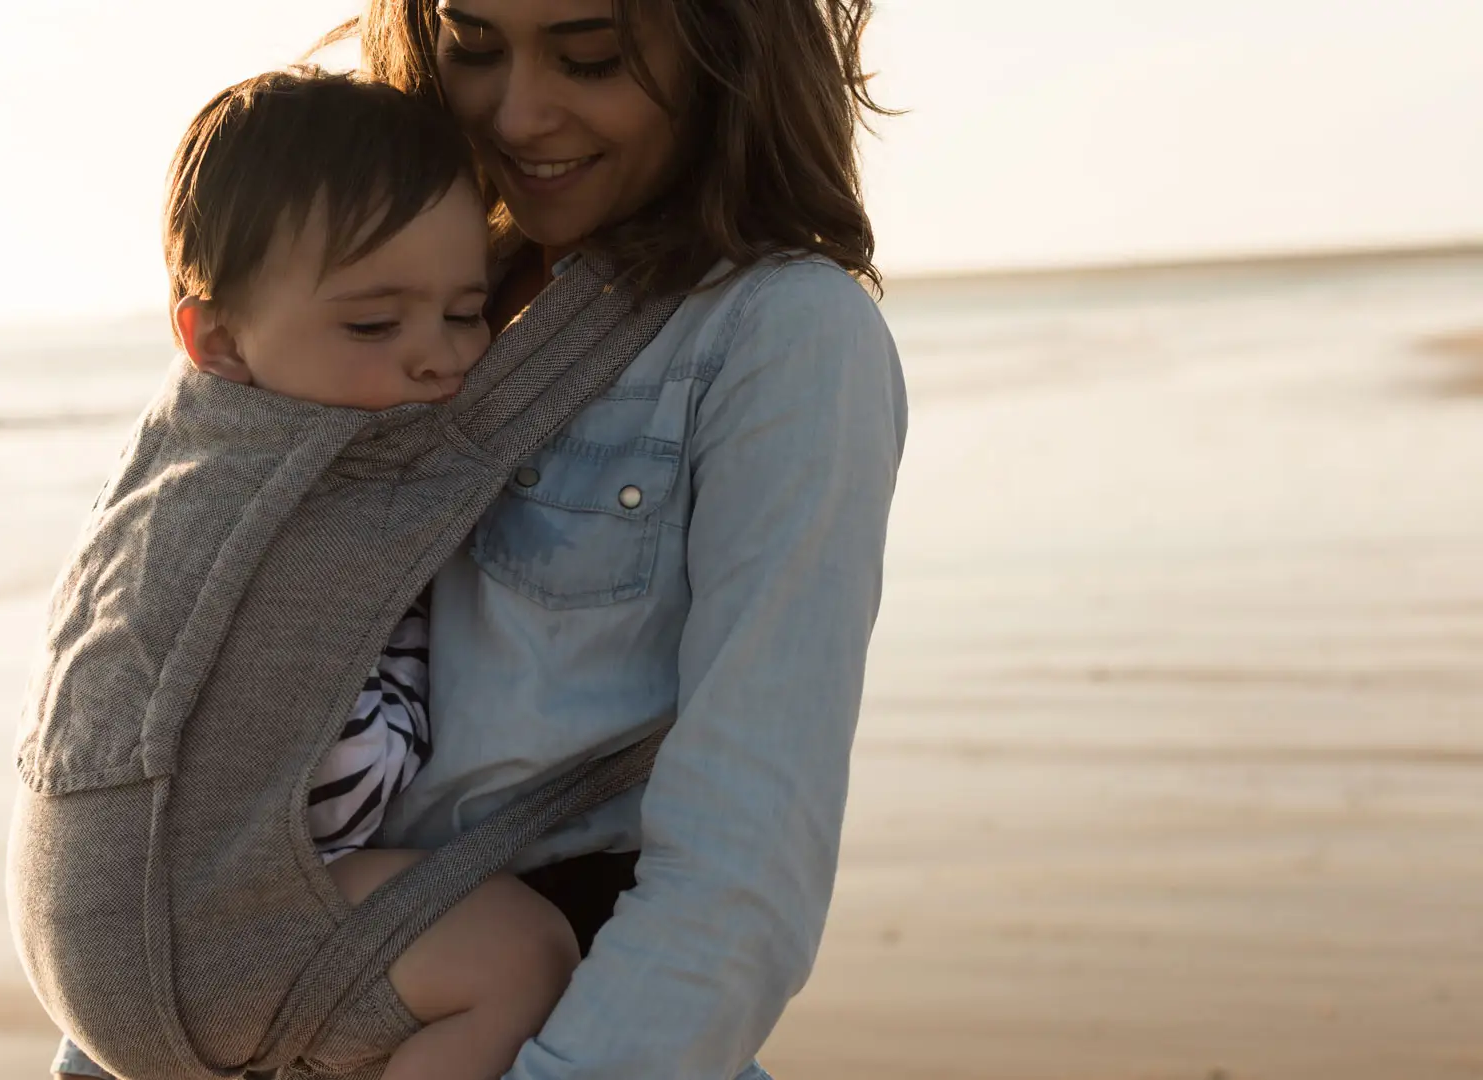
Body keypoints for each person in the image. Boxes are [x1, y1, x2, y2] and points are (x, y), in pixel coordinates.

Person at [54, 0, 907, 1072]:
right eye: (475, 47)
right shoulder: (397, 288)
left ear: (721, 48)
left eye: (590, 55)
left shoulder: (782, 337)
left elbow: (742, 871)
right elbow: (185, 696)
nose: (520, 112)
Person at [38, 69, 597, 1080]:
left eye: (468, 311)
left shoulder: (181, 452)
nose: (437, 359)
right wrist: (627, 289)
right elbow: (511, 414)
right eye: (375, 326)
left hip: (71, 951)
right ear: (215, 340)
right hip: (193, 947)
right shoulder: (321, 461)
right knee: (525, 954)